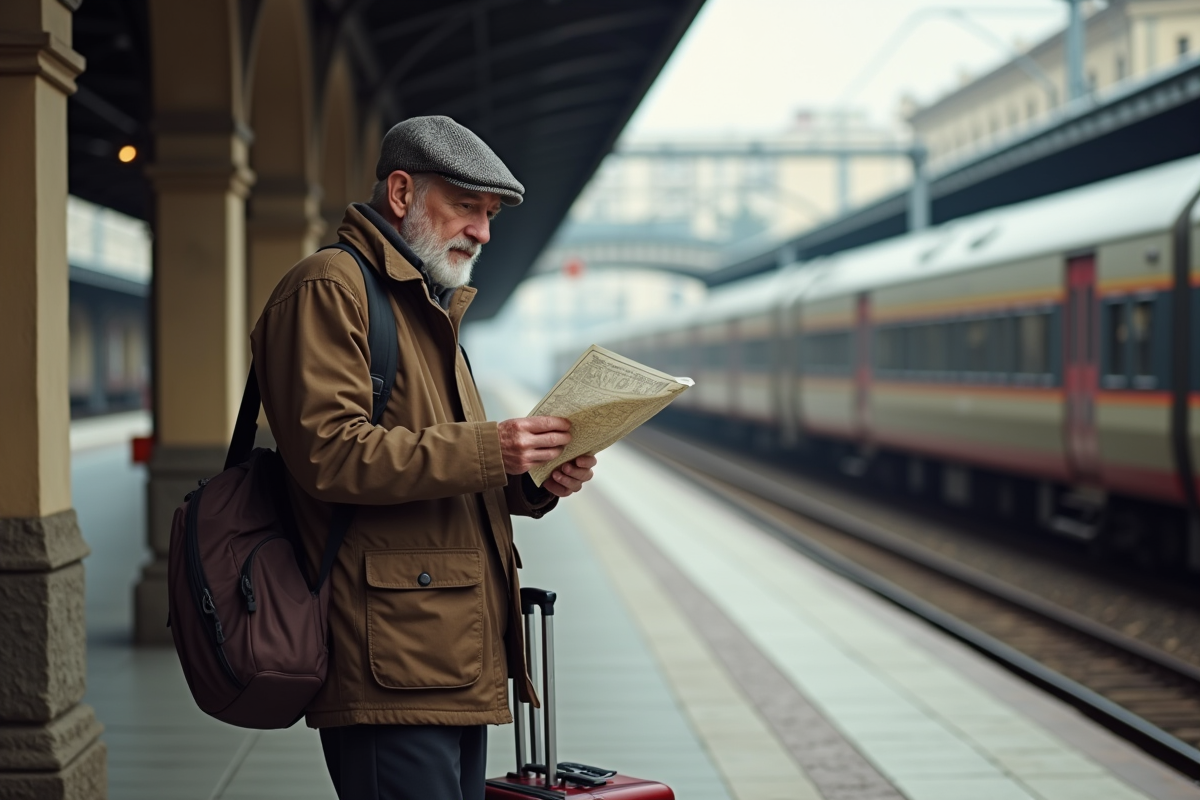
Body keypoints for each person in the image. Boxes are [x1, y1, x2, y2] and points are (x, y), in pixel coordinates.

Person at [250, 115, 597, 800]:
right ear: (402, 192)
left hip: (450, 655)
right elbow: (329, 454)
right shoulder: (331, 288)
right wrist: (491, 446)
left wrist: (533, 480)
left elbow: (450, 472)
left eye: (490, 214)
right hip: (390, 662)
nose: (483, 231)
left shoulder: (428, 307)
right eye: (467, 206)